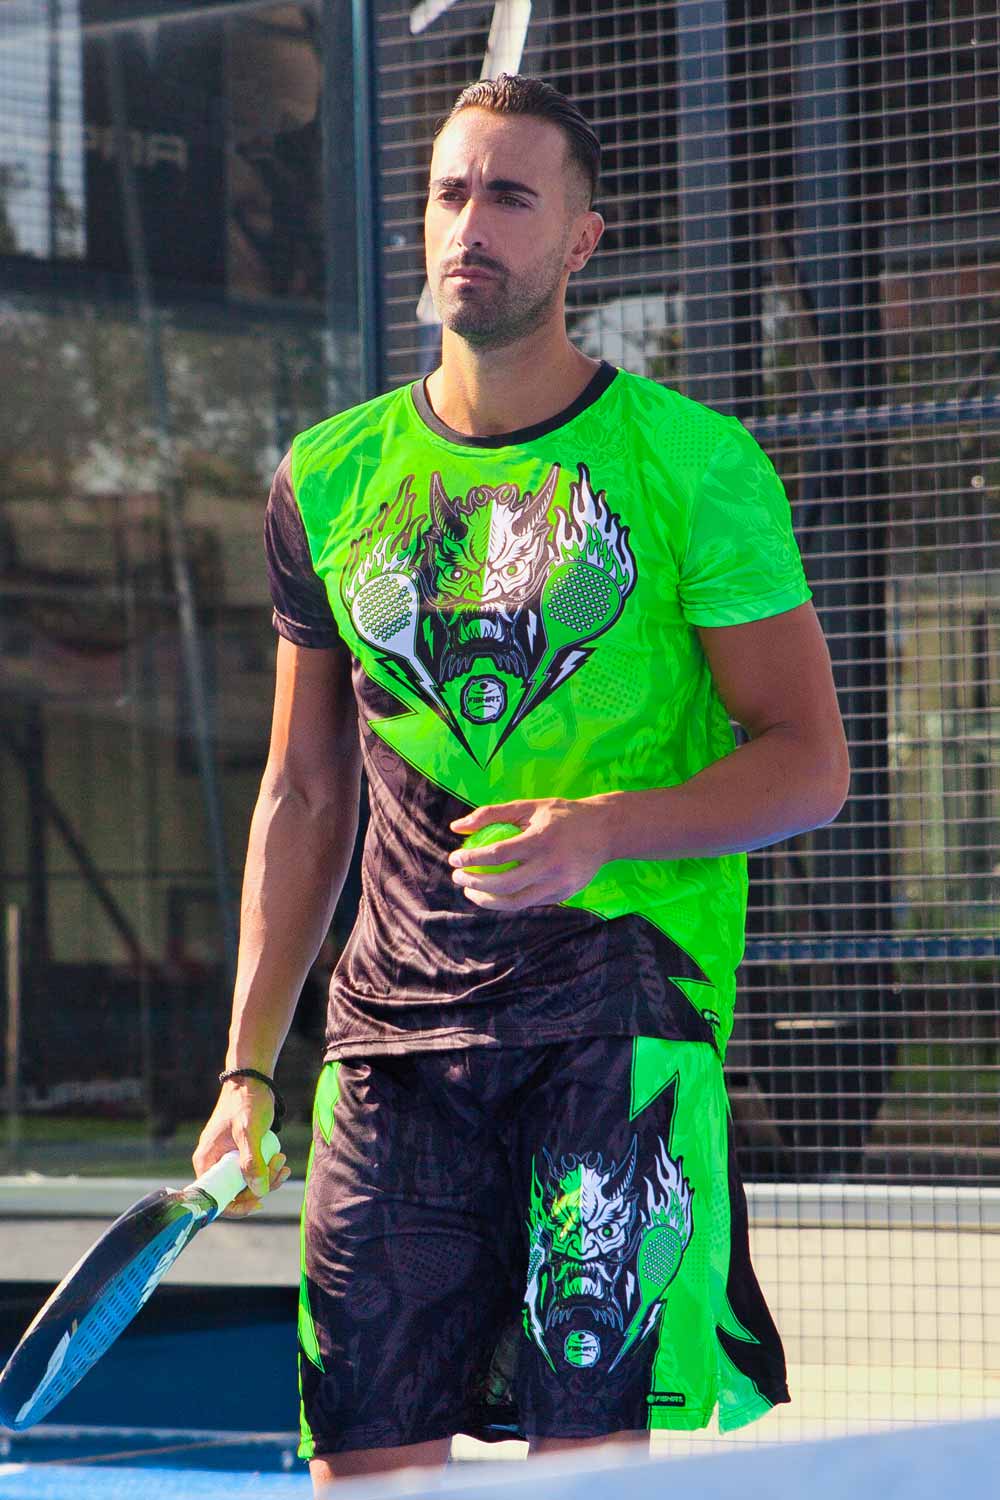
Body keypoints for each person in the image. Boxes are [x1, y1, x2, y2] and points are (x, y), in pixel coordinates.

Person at [193, 73, 849, 1491]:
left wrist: (602, 831)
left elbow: (809, 763)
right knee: (363, 1461)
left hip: (618, 1021)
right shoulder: (326, 477)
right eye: (449, 192)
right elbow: (304, 794)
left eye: (508, 196)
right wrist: (247, 1067)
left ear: (581, 241)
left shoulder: (695, 468)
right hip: (392, 1045)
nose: (469, 225)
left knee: (586, 1467)